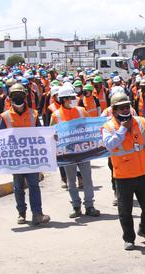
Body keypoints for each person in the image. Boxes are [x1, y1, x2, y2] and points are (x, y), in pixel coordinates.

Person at [101, 92, 145, 250]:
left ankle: (144, 229)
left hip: (143, 173)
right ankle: (129, 238)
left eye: (127, 107)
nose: (125, 110)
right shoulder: (108, 127)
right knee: (125, 210)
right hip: (123, 176)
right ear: (114, 110)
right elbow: (110, 145)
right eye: (121, 108)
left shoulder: (140, 122)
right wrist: (122, 129)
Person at [0, 83, 51, 226]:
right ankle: (21, 214)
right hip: (16, 159)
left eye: (21, 95)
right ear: (10, 98)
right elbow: (0, 137)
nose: (18, 98)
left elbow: (40, 133)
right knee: (18, 187)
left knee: (34, 186)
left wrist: (50, 138)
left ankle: (37, 214)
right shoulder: (5, 116)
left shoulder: (33, 114)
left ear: (25, 96)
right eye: (15, 95)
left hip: (32, 157)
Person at [50, 84, 101, 219]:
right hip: (67, 153)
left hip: (83, 150)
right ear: (64, 99)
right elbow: (52, 133)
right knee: (71, 181)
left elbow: (90, 128)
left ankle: (89, 205)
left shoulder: (81, 111)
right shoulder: (56, 115)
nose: (74, 99)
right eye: (71, 97)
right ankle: (76, 206)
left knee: (87, 179)